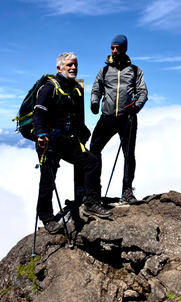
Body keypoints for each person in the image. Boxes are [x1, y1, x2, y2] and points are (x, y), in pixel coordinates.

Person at [33, 52, 112, 234]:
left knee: (91, 162)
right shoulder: (48, 88)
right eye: (69, 65)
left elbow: (73, 116)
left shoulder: (74, 88)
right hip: (49, 142)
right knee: (48, 180)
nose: (73, 68)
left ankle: (91, 202)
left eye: (75, 65)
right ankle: (46, 216)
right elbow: (39, 113)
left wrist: (82, 130)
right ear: (59, 68)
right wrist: (41, 134)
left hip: (68, 141)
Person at [90, 35, 148, 204]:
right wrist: (94, 103)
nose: (115, 51)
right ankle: (94, 191)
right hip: (107, 118)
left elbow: (143, 92)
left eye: (118, 48)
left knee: (129, 155)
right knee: (93, 150)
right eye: (112, 48)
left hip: (127, 119)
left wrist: (136, 106)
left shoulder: (136, 70)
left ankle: (127, 191)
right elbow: (96, 90)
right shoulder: (105, 70)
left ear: (125, 49)